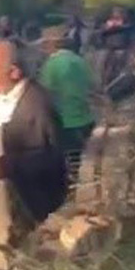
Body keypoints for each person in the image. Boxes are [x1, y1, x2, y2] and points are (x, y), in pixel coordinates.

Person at [0, 40, 68, 270]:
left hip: (25, 195)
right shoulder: (6, 96)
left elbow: (51, 157)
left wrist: (7, 165)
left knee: (15, 249)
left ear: (14, 72)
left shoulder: (36, 105)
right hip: (4, 188)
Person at [37, 26, 96, 190]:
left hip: (64, 119)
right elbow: (93, 85)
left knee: (68, 160)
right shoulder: (79, 60)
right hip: (85, 116)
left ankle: (70, 192)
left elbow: (45, 92)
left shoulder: (51, 65)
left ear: (51, 45)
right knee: (83, 158)